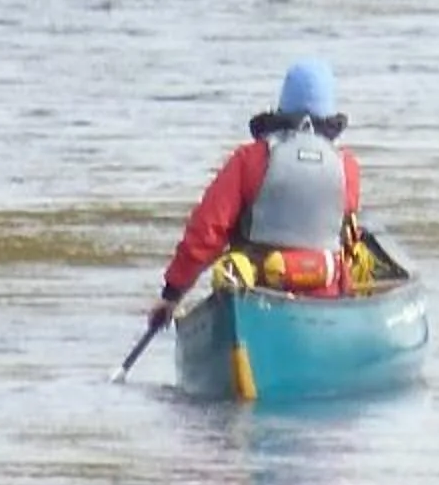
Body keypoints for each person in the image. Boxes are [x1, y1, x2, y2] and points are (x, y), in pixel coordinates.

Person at [139, 59, 368, 347]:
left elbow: (207, 230)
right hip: (325, 301)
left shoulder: (249, 160)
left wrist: (172, 295)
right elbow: (346, 232)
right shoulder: (348, 168)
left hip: (255, 296)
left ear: (282, 106)